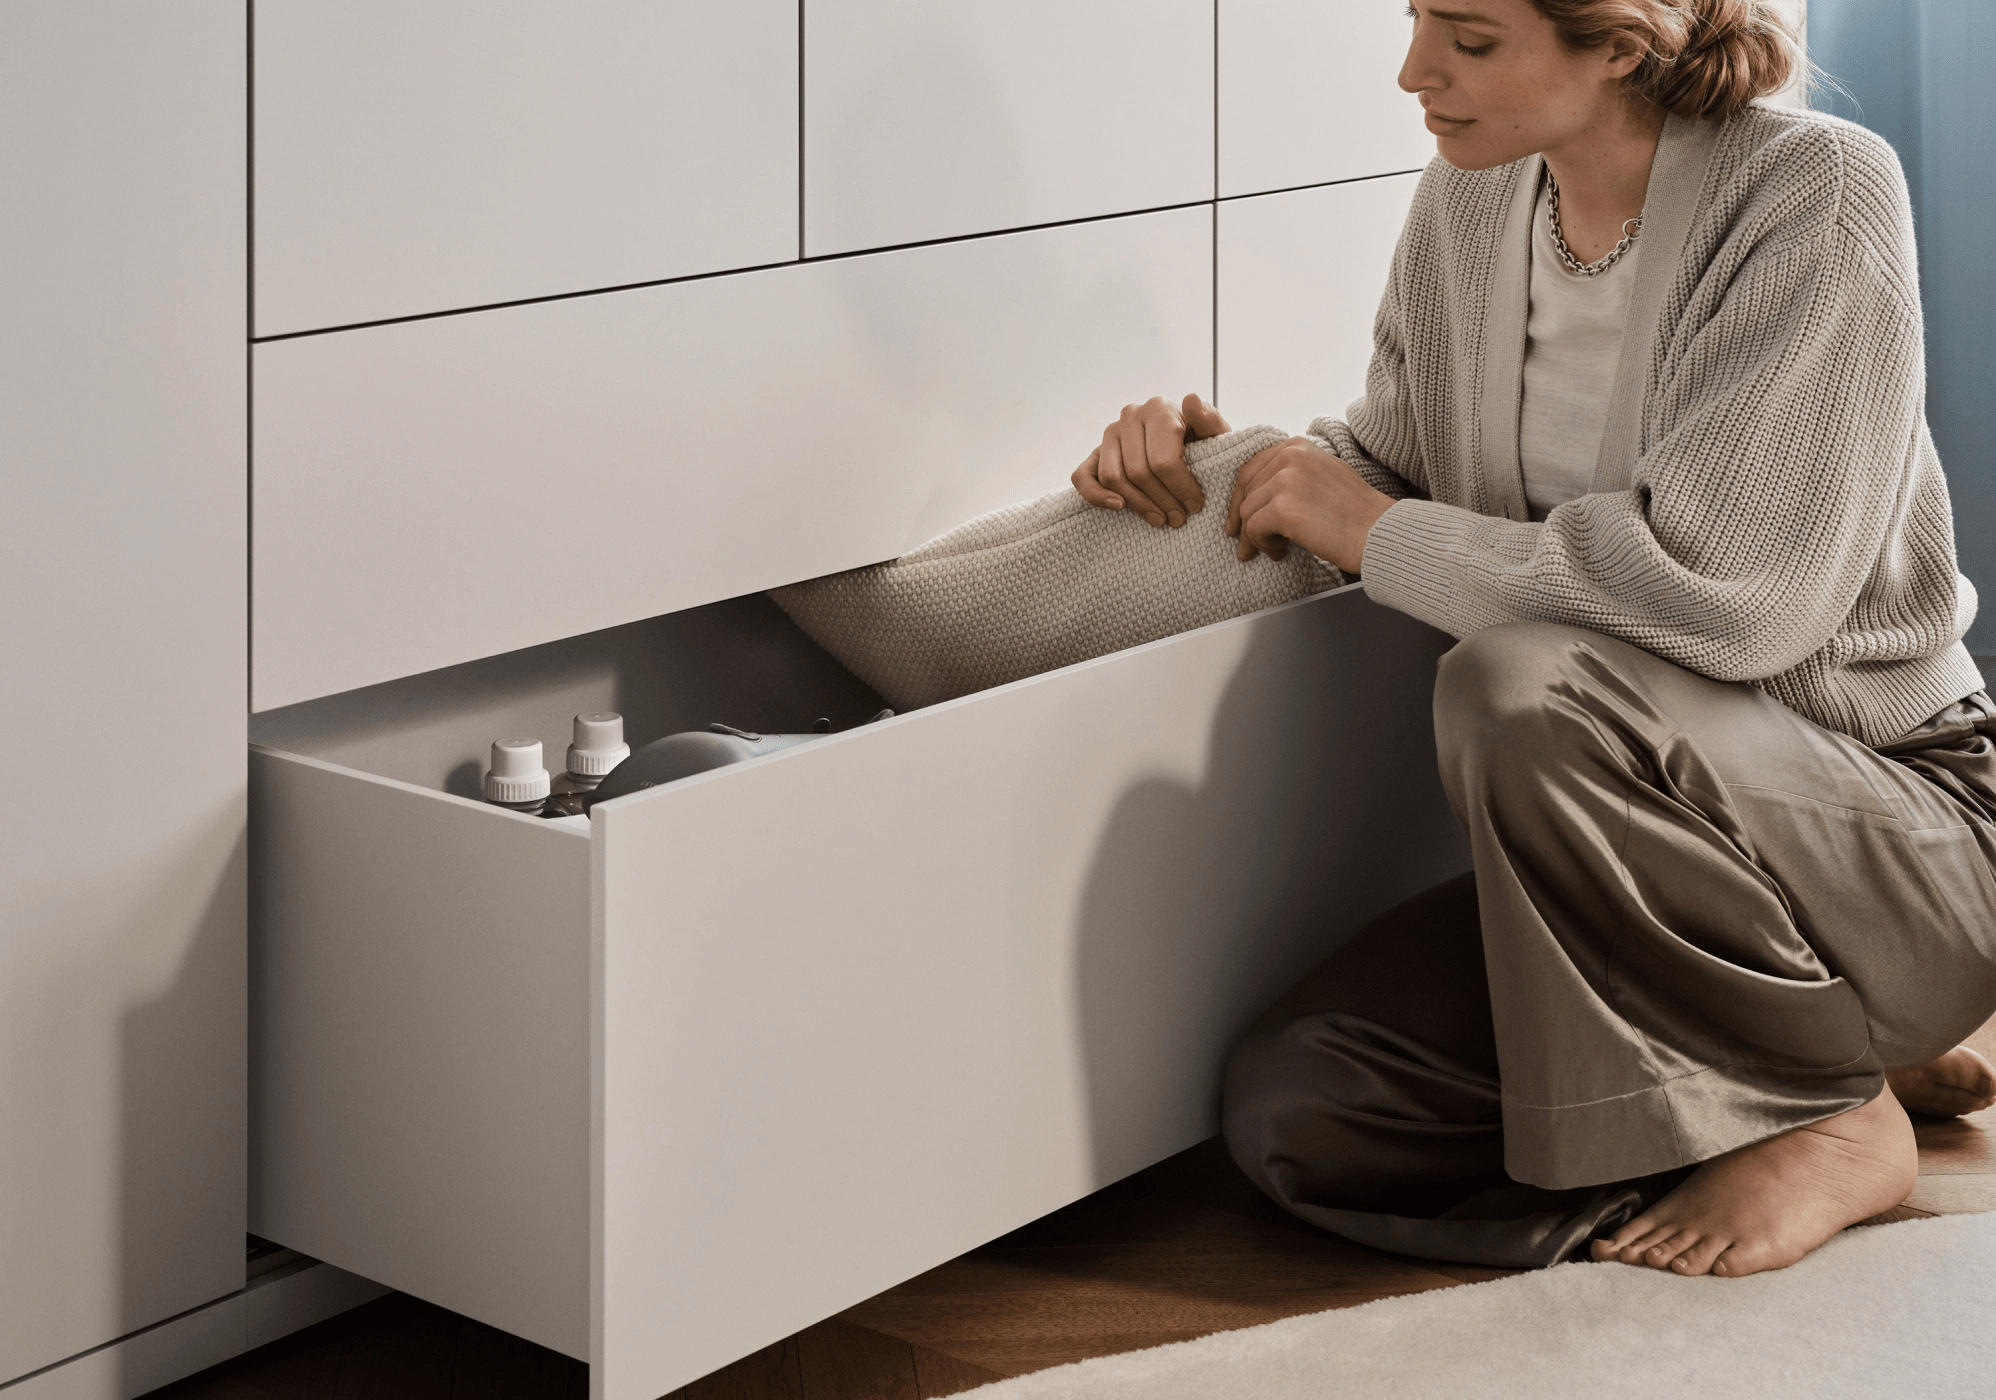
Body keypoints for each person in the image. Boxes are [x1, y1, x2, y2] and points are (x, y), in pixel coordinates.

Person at [1073, 0, 1996, 1279]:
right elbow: (1397, 474)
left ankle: (1826, 1114)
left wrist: (1371, 526)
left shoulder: (1816, 192)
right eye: (1415, 22)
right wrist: (1233, 468)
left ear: (1618, 44)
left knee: (1520, 681)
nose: (1414, 73)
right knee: (1302, 1106)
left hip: (1893, 829)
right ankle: (1818, 1047)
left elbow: (1732, 602)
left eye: (1469, 36)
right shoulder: (1472, 200)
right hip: (1633, 866)